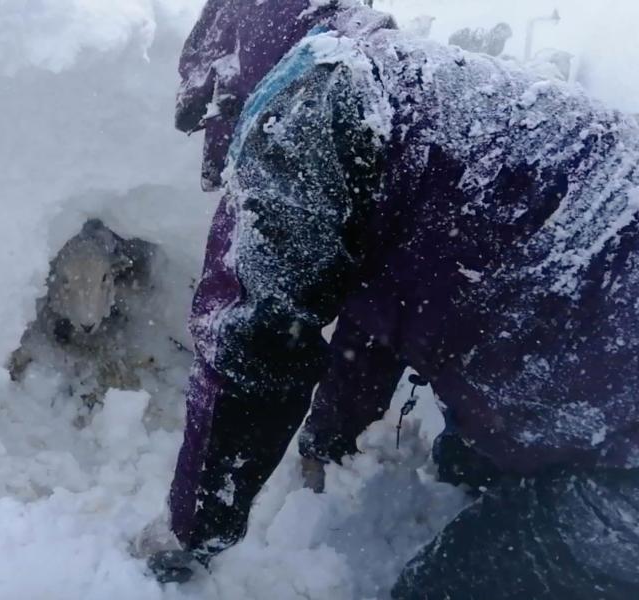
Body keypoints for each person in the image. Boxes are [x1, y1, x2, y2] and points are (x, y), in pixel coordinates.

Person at [151, 0, 639, 597]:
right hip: (593, 344)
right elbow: (378, 308)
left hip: (624, 456)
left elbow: (251, 352)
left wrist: (192, 534)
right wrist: (327, 440)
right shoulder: (401, 92)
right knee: (466, 467)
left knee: (440, 589)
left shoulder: (304, 113)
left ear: (233, 68)